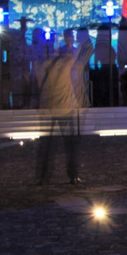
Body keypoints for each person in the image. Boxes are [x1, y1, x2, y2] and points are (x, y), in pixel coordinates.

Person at [35, 30, 90, 185]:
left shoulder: (40, 65)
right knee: (70, 145)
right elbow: (77, 52)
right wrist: (69, 41)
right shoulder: (64, 63)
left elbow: (39, 84)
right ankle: (73, 175)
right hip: (65, 110)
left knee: (46, 146)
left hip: (47, 110)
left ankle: (42, 177)